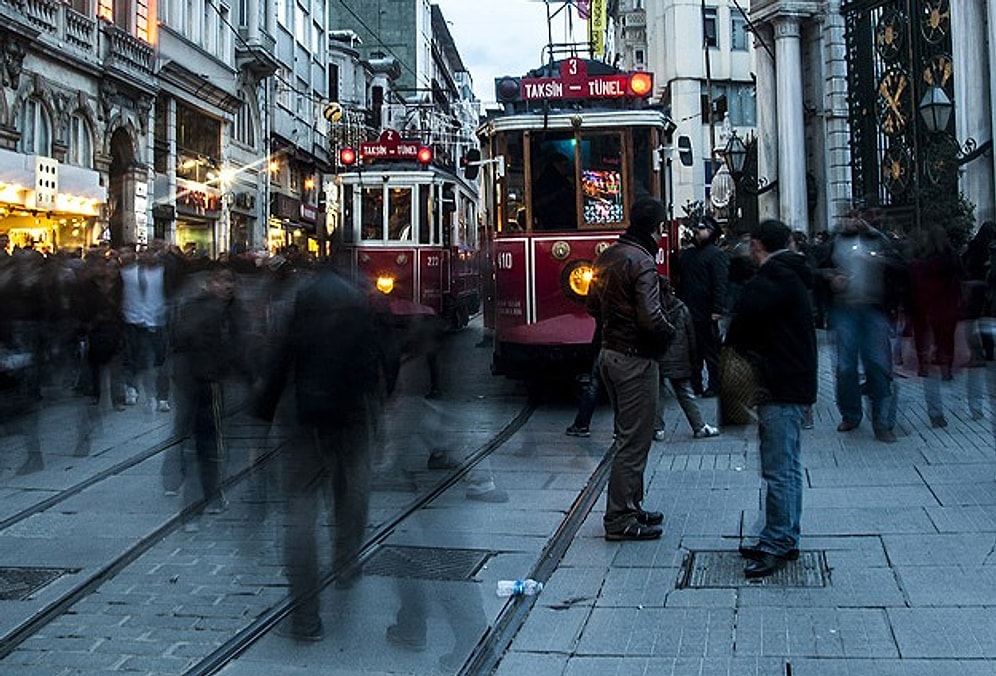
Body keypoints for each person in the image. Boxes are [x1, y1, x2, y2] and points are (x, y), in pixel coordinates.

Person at [252, 261, 394, 642]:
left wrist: (263, 413)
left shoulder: (302, 300)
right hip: (351, 418)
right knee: (353, 493)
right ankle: (346, 562)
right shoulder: (360, 302)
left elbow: (280, 358)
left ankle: (305, 617)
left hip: (304, 418)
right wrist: (377, 407)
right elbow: (382, 358)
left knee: (300, 512)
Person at [726, 219, 817, 579]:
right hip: (792, 382)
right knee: (788, 466)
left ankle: (777, 541)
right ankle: (783, 534)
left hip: (780, 384)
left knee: (778, 468)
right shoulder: (791, 273)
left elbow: (742, 324)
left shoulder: (773, 279)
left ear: (757, 245)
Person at [587, 197, 675, 541]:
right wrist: (670, 334)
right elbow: (651, 317)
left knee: (629, 436)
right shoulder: (643, 262)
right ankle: (620, 517)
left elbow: (592, 304)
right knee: (634, 441)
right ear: (656, 228)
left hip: (609, 353)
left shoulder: (609, 255)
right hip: (635, 358)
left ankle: (632, 504)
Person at [167, 266, 247, 523]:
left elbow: (238, 345)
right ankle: (208, 494)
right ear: (209, 284)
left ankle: (193, 490)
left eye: (230, 281)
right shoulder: (207, 309)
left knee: (197, 437)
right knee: (209, 441)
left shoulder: (229, 308)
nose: (227, 286)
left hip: (202, 380)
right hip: (203, 380)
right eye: (222, 281)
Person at [819, 215, 907, 443]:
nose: (854, 220)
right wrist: (831, 278)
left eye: (859, 215)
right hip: (844, 310)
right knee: (846, 367)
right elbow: (818, 269)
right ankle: (851, 414)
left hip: (874, 310)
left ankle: (882, 421)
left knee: (878, 365)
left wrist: (882, 261)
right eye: (849, 215)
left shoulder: (879, 241)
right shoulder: (834, 242)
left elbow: (900, 266)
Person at [654, 275, 719, 441]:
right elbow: (691, 336)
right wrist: (693, 360)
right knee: (685, 393)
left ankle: (657, 429)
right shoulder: (681, 308)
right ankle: (699, 426)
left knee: (657, 394)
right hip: (679, 358)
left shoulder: (652, 310)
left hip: (657, 356)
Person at [675, 214, 728, 397]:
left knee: (711, 352)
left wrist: (718, 309)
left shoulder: (716, 255)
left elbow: (720, 284)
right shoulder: (688, 254)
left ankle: (715, 385)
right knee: (692, 352)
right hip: (689, 309)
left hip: (707, 312)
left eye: (702, 229)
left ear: (711, 232)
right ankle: (695, 384)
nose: (697, 232)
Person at [532, 152, 576, 230]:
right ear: (556, 164)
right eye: (565, 165)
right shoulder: (553, 181)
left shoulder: (556, 179)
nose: (567, 169)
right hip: (556, 221)